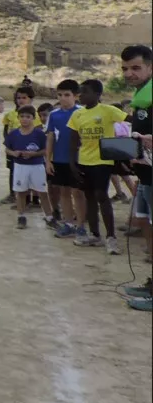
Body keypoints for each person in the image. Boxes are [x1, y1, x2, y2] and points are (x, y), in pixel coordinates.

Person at [67, 78, 127, 253]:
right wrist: (72, 162)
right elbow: (73, 141)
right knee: (89, 197)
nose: (81, 95)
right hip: (84, 161)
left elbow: (130, 120)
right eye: (80, 92)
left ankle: (111, 237)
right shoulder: (77, 114)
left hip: (103, 160)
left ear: (98, 94)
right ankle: (95, 234)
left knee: (101, 195)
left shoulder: (108, 110)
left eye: (85, 92)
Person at [120, 46, 152, 306]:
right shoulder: (142, 94)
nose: (129, 73)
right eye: (125, 68)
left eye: (135, 67)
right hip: (145, 174)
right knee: (144, 223)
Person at [46, 79, 85, 239]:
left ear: (76, 96)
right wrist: (48, 160)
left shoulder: (82, 112)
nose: (63, 98)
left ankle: (81, 225)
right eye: (60, 95)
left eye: (67, 95)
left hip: (78, 160)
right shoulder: (54, 115)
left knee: (78, 193)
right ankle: (68, 223)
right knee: (64, 192)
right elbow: (50, 137)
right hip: (59, 159)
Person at [5, 106, 55, 228]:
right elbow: (7, 149)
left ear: (33, 118)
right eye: (22, 116)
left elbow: (46, 150)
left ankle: (49, 217)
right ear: (18, 118)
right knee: (21, 192)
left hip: (37, 166)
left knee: (42, 192)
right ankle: (21, 216)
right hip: (20, 166)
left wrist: (34, 154)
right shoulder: (14, 134)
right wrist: (14, 153)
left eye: (28, 117)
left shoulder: (39, 134)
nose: (25, 119)